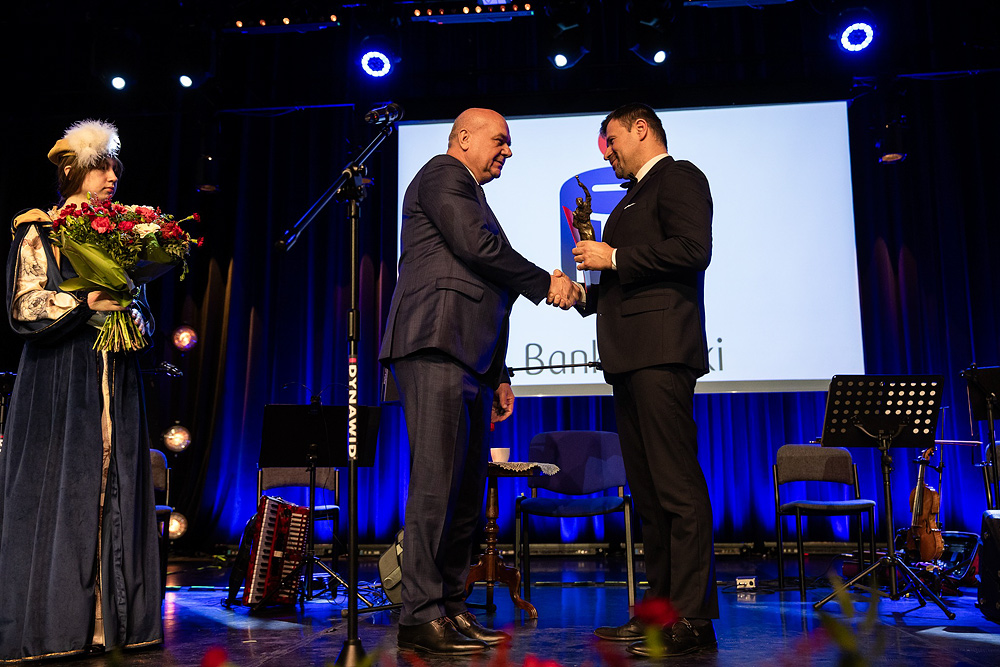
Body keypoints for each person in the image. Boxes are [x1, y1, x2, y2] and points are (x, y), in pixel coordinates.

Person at [379, 108, 576, 655]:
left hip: (469, 358)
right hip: (435, 344)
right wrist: (546, 282)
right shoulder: (443, 173)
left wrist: (500, 373)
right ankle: (419, 614)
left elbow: (484, 286)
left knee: (466, 489)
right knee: (436, 485)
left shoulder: (472, 192)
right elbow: (476, 250)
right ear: (463, 138)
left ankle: (448, 606)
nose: (508, 151)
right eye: (501, 140)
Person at [0, 120, 163, 661]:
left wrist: (128, 308)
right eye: (100, 166)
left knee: (114, 490)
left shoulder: (122, 235)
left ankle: (112, 625)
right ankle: (58, 626)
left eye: (114, 166)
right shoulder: (40, 231)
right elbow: (24, 307)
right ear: (73, 172)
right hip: (60, 380)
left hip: (116, 378)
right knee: (64, 492)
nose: (111, 176)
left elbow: (143, 317)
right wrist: (83, 304)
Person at [567, 103, 719, 657]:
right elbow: (619, 281)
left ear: (640, 129)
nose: (606, 153)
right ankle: (658, 612)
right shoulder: (626, 201)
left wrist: (614, 256)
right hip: (627, 357)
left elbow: (691, 251)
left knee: (677, 487)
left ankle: (695, 617)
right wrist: (582, 291)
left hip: (661, 352)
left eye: (610, 141)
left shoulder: (679, 177)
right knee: (650, 495)